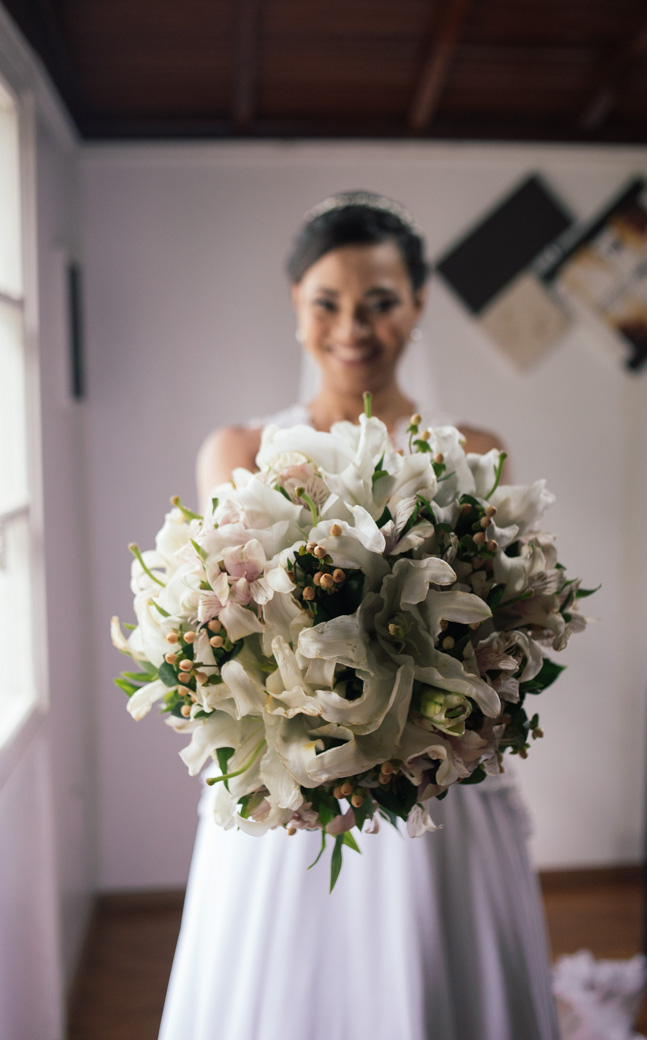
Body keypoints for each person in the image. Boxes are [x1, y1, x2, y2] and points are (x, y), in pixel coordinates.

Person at [158, 192, 560, 1040]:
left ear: (417, 305)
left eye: (380, 301)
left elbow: (499, 619)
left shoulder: (476, 450)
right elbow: (225, 620)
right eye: (328, 302)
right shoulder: (239, 451)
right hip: (296, 772)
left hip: (440, 773)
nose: (353, 327)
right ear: (296, 305)